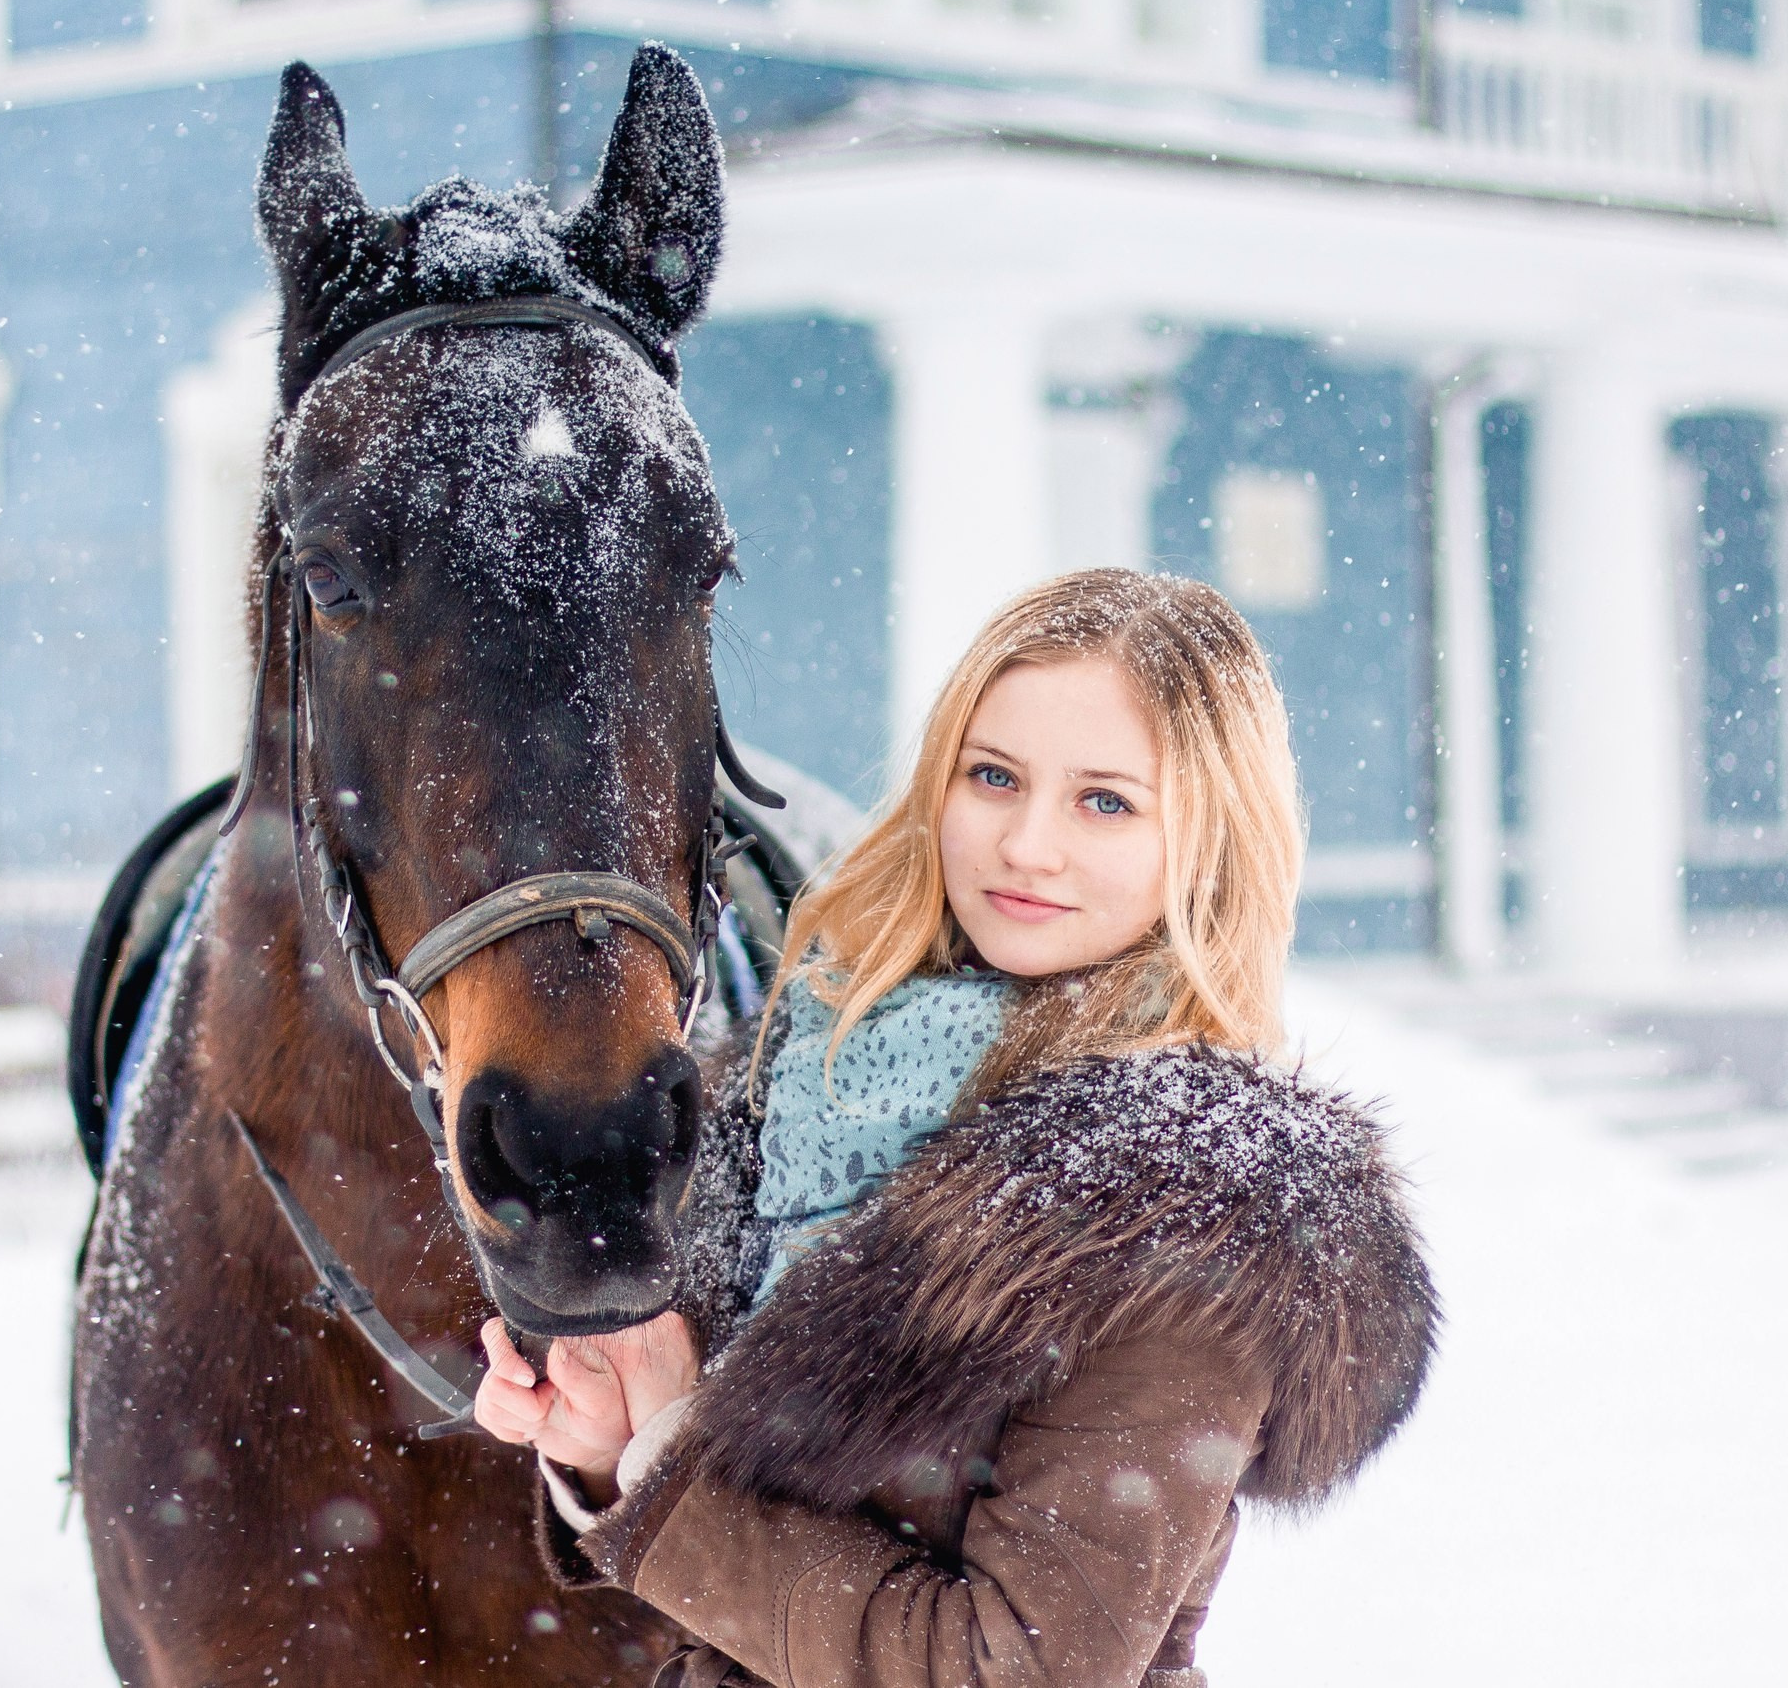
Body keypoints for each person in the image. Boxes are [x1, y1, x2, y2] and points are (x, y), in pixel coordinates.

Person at [474, 568, 1438, 1688]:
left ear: (1210, 842)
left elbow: (1012, 1670)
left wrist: (665, 1467)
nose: (1027, 845)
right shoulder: (805, 1090)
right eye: (994, 777)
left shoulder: (1184, 1220)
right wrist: (604, 1451)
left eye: (1105, 801)